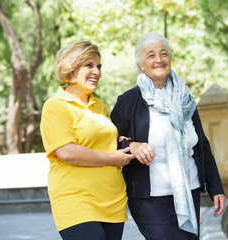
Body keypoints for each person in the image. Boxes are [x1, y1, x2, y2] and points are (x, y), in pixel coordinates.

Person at [110, 32, 226, 240]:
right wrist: (133, 145)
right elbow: (110, 142)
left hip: (188, 191)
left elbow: (201, 145)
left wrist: (216, 187)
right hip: (149, 199)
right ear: (140, 64)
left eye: (164, 54)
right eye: (151, 55)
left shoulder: (186, 99)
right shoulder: (128, 101)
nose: (159, 60)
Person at [40, 41, 134, 240]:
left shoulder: (100, 106)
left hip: (112, 200)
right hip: (76, 200)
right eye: (89, 65)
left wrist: (127, 143)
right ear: (71, 68)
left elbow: (104, 142)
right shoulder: (55, 106)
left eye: (99, 66)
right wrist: (112, 159)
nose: (97, 71)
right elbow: (66, 152)